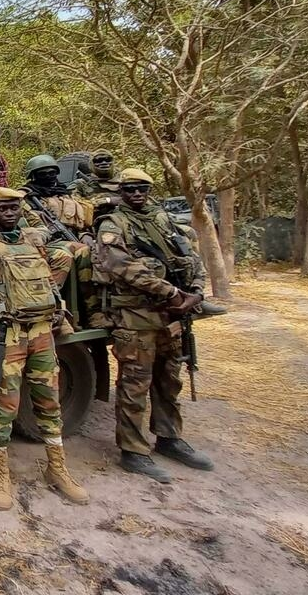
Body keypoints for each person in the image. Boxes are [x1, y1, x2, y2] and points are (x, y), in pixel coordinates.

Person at [0, 187, 89, 510]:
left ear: (21, 209)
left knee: (49, 401)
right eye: (2, 208)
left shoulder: (34, 240)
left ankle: (57, 468)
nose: (8, 212)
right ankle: (1, 474)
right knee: (5, 405)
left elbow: (55, 267)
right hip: (8, 334)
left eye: (13, 207)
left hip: (42, 332)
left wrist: (54, 304)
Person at [94, 168, 214, 483]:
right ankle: (133, 451)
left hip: (171, 316)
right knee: (135, 385)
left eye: (142, 188)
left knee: (169, 380)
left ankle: (169, 437)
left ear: (149, 190)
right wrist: (172, 293)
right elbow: (120, 266)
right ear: (121, 191)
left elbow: (190, 258)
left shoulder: (163, 220)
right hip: (136, 317)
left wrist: (197, 292)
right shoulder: (112, 225)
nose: (136, 194)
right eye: (130, 189)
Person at [22, 155, 99, 326]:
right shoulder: (26, 197)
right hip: (46, 242)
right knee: (71, 254)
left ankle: (93, 310)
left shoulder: (66, 193)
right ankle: (50, 305)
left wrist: (86, 235)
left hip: (72, 238)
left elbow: (81, 222)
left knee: (91, 251)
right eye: (43, 173)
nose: (49, 176)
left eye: (52, 172)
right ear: (33, 176)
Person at [73, 149, 123, 214]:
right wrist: (107, 200)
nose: (104, 163)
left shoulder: (124, 181)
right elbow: (73, 205)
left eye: (108, 160)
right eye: (98, 160)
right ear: (91, 164)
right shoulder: (81, 184)